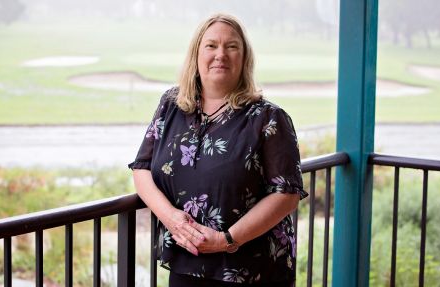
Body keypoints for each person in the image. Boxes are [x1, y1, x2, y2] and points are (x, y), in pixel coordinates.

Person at [129, 13, 308, 287]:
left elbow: (286, 195)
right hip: (187, 259)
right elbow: (141, 168)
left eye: (232, 46)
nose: (220, 54)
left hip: (252, 268)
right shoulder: (171, 105)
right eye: (211, 45)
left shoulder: (269, 118)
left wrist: (227, 240)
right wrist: (171, 218)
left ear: (244, 58)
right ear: (196, 55)